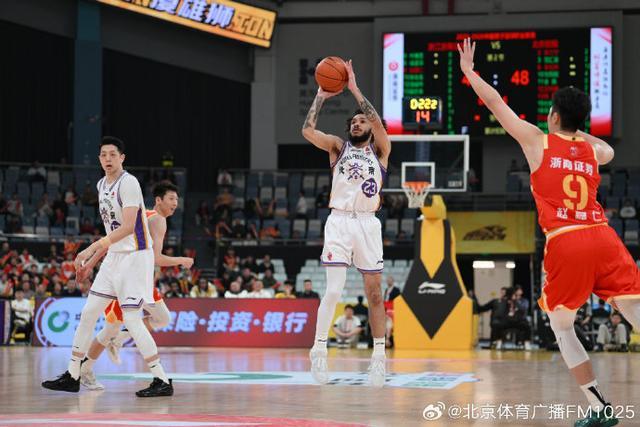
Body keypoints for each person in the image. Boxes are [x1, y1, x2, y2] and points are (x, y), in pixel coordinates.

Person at [459, 37, 640, 426]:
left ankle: (598, 406)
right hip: (603, 235)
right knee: (635, 311)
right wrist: (578, 134)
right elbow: (607, 150)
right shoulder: (593, 152)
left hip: (567, 238)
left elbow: (495, 103)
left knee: (561, 326)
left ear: (554, 116)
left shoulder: (537, 141)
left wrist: (470, 72)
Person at [41, 136, 172, 397]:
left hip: (136, 256)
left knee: (132, 320)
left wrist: (90, 249)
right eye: (103, 155)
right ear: (99, 159)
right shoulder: (102, 184)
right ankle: (73, 374)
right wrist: (91, 263)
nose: (108, 159)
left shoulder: (129, 183)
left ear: (122, 158)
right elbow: (112, 233)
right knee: (89, 313)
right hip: (114, 256)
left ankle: (162, 380)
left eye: (113, 154)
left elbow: (128, 227)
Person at [302, 60, 391, 387]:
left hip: (368, 224)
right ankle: (318, 351)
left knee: (375, 294)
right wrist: (320, 96)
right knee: (334, 290)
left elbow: (376, 120)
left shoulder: (381, 150)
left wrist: (353, 88)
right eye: (353, 121)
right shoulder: (337, 147)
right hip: (339, 221)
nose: (357, 122)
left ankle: (379, 360)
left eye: (361, 120)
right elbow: (307, 131)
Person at [78, 181, 194, 389]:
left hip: (141, 282)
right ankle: (85, 369)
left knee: (161, 318)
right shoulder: (158, 220)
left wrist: (91, 263)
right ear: (158, 200)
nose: (175, 203)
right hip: (128, 281)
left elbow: (110, 242)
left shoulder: (142, 216)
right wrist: (181, 260)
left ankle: (119, 340)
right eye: (171, 199)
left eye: (177, 199)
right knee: (110, 329)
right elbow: (156, 258)